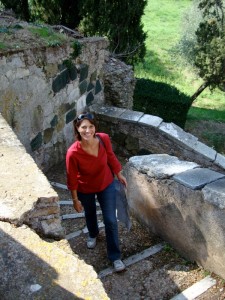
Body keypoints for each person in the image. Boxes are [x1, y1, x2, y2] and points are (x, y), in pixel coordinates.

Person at [66, 112, 127, 272]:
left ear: (95, 128)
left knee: (111, 220)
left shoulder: (103, 139)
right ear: (77, 129)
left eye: (91, 126)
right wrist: (74, 200)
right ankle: (93, 233)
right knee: (90, 213)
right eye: (83, 127)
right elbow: (71, 177)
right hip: (85, 188)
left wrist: (119, 174)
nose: (88, 130)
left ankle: (115, 257)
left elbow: (110, 156)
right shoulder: (73, 153)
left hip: (106, 183)